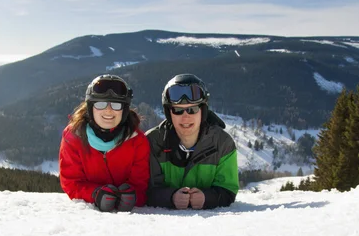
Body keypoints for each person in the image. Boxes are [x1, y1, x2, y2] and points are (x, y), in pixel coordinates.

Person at [145, 74, 239, 210]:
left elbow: (228, 191)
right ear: (168, 113)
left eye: (192, 109)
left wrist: (207, 198)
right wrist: (170, 197)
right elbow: (146, 189)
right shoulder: (153, 142)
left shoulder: (223, 144)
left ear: (203, 111)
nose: (185, 117)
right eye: (177, 110)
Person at [59, 74, 150, 212]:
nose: (108, 110)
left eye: (116, 104)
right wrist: (94, 194)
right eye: (100, 104)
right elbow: (71, 183)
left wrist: (133, 196)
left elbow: (141, 185)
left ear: (124, 110)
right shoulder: (74, 137)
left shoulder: (137, 141)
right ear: (90, 107)